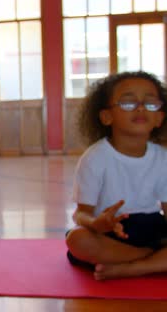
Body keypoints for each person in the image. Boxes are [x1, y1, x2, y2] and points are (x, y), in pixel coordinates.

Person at [65, 71, 167, 280]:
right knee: (77, 239)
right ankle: (150, 260)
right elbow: (81, 214)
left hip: (152, 227)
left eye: (150, 104)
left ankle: (131, 268)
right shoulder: (95, 158)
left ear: (159, 118)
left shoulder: (163, 158)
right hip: (111, 230)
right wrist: (97, 224)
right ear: (106, 116)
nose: (140, 108)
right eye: (129, 103)